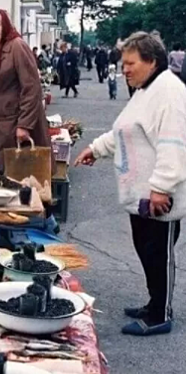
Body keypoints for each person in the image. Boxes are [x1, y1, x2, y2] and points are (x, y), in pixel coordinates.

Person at [75, 32, 186, 336]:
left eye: (130, 63)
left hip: (158, 194)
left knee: (158, 252)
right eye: (123, 62)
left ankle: (160, 314)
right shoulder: (145, 90)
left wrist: (161, 187)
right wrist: (96, 149)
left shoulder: (170, 93)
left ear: (152, 61)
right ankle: (154, 303)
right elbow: (124, 130)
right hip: (141, 193)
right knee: (146, 249)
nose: (123, 68)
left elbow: (174, 144)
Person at [0, 8, 51, 172]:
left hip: (15, 126)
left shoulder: (17, 46)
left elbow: (32, 88)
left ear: (4, 25)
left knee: (23, 177)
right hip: (1, 128)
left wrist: (24, 125)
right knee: (8, 176)